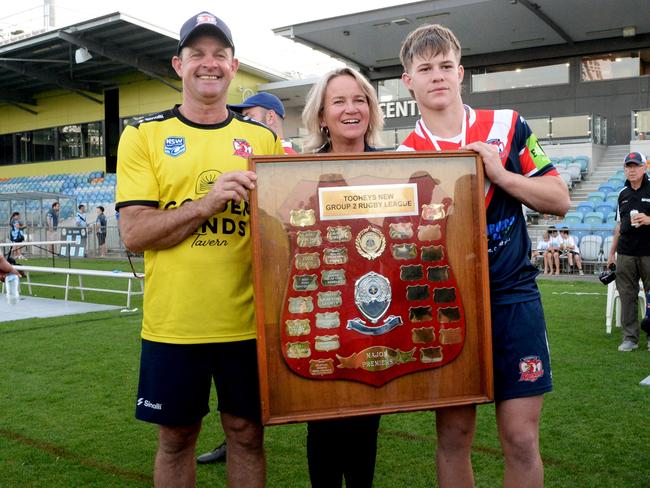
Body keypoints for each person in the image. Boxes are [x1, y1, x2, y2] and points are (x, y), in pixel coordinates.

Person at [115, 11, 283, 487]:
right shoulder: (143, 135)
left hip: (248, 323)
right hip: (175, 324)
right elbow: (135, 233)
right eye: (197, 55)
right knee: (176, 437)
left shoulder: (262, 139)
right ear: (178, 64)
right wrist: (207, 204)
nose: (208, 64)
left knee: (247, 435)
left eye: (219, 56)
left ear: (234, 66)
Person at [397, 24, 569, 487]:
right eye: (425, 68)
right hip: (444, 306)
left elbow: (558, 199)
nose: (438, 76)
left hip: (513, 299)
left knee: (520, 439)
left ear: (462, 72)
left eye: (446, 66)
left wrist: (501, 175)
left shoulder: (507, 125)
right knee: (454, 435)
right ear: (407, 80)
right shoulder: (399, 156)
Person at [197, 91, 296, 465]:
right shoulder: (248, 156)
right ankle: (233, 439)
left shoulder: (281, 160)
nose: (244, 121)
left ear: (270, 118)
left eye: (250, 115)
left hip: (269, 291)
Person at [298, 66, 384, 488]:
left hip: (373, 313)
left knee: (366, 428)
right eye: (339, 101)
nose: (351, 109)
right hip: (324, 315)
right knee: (324, 427)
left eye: (360, 99)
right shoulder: (297, 175)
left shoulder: (392, 169)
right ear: (321, 116)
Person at [606, 151, 650, 352]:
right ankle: (630, 338)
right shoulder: (622, 194)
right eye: (628, 166)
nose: (632, 170)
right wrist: (611, 252)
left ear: (644, 167)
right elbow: (618, 226)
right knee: (626, 295)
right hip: (625, 253)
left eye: (635, 166)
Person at [230, 92, 298, 154]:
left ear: (270, 117)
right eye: (242, 118)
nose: (243, 122)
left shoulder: (285, 159)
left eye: (248, 117)